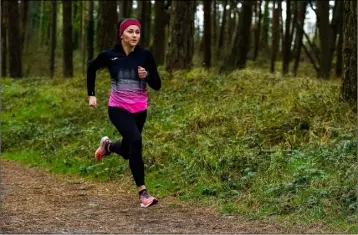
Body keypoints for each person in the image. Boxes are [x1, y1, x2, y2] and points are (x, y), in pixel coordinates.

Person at [86, 18, 161, 208]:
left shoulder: (145, 55)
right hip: (118, 108)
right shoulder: (109, 55)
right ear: (122, 35)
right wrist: (91, 95)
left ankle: (108, 147)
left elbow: (157, 85)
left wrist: (147, 76)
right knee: (136, 141)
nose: (134, 35)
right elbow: (91, 68)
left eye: (137, 32)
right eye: (130, 32)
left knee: (129, 151)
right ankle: (143, 194)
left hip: (139, 110)